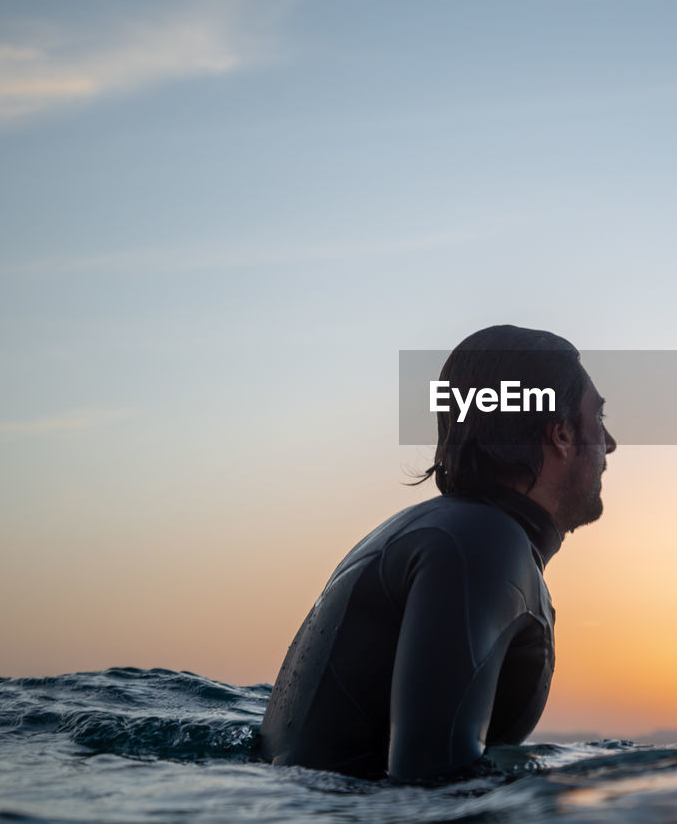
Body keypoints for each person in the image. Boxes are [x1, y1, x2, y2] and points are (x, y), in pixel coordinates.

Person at [253, 325, 615, 783]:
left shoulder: (443, 530)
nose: (610, 443)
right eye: (598, 418)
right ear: (560, 434)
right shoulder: (482, 546)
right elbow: (430, 783)